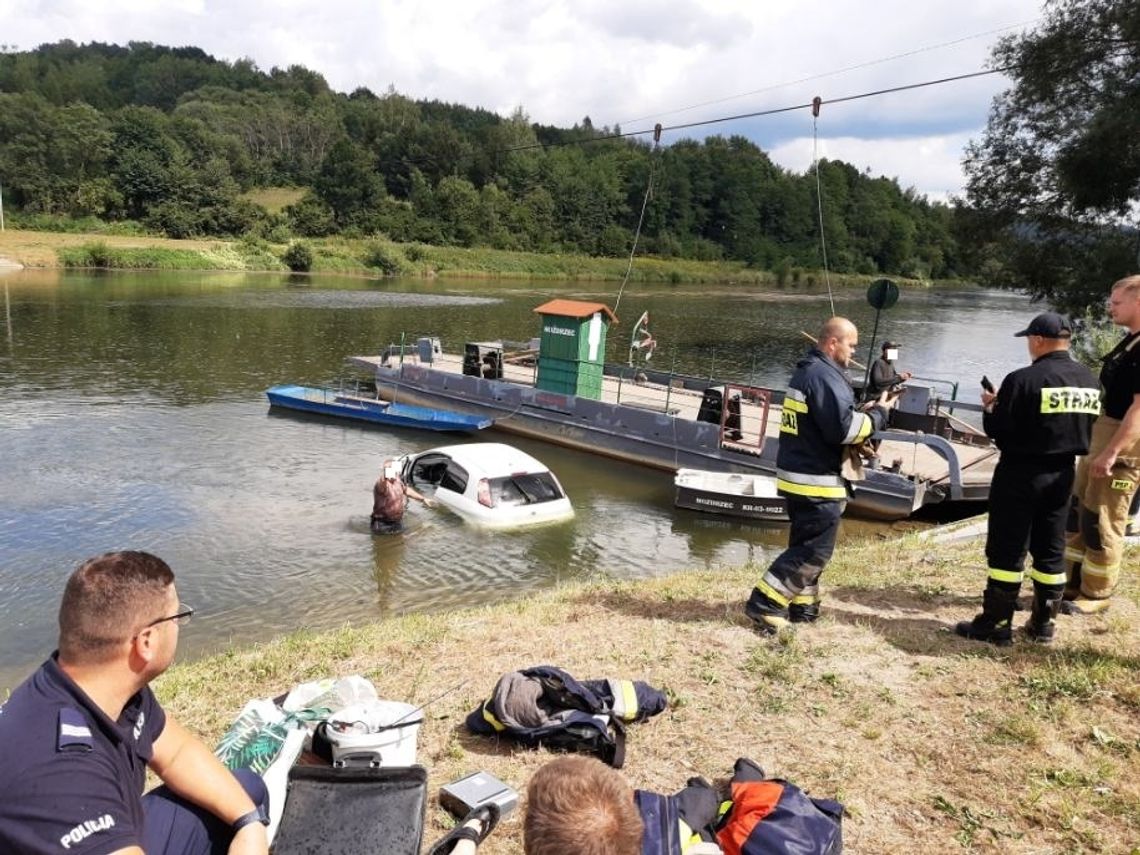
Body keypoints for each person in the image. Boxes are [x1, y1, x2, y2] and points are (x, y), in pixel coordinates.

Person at [0, 551, 270, 855]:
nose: (181, 623)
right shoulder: (61, 773)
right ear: (146, 642)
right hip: (86, 832)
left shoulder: (109, 686)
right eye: (178, 616)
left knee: (246, 791)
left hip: (112, 823)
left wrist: (249, 824)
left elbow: (177, 753)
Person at [955, 312, 1099, 645]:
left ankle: (996, 624)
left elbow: (1001, 432)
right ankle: (1042, 624)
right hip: (1064, 473)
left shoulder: (1023, 380)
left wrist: (991, 408)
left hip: (1021, 473)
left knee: (1007, 549)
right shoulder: (1089, 380)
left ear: (1037, 340)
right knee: (1051, 548)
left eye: (1028, 341)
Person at [745, 317, 893, 634]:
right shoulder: (824, 377)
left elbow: (826, 419)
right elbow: (843, 430)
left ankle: (803, 606)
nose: (854, 352)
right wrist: (878, 415)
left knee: (805, 542)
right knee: (815, 550)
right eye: (851, 344)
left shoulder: (810, 373)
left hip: (799, 475)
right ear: (832, 343)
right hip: (817, 480)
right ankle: (765, 604)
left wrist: (859, 409)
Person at [1063, 274, 1140, 612]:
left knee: (1103, 518)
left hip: (1122, 444)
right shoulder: (1130, 342)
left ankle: (1097, 594)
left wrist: (1111, 453)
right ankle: (1067, 583)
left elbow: (1139, 410)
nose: (1110, 307)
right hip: (1104, 431)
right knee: (1079, 512)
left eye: (1117, 301)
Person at [371, 458, 434, 534]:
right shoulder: (381, 484)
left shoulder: (398, 480)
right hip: (382, 524)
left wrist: (423, 499)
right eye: (387, 470)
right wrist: (386, 473)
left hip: (397, 521)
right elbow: (382, 482)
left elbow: (406, 490)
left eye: (392, 469)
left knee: (403, 542)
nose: (391, 471)